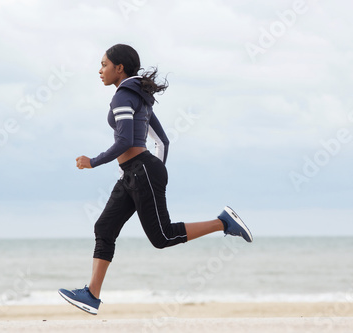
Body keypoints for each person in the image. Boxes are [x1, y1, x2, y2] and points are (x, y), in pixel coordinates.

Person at [58, 44, 252, 315]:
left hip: (140, 172)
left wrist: (95, 162)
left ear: (119, 68)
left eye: (104, 64)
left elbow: (126, 140)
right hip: (134, 174)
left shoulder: (124, 96)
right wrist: (146, 173)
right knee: (104, 228)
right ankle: (92, 295)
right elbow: (162, 141)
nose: (100, 70)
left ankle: (223, 222)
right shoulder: (138, 96)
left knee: (162, 236)